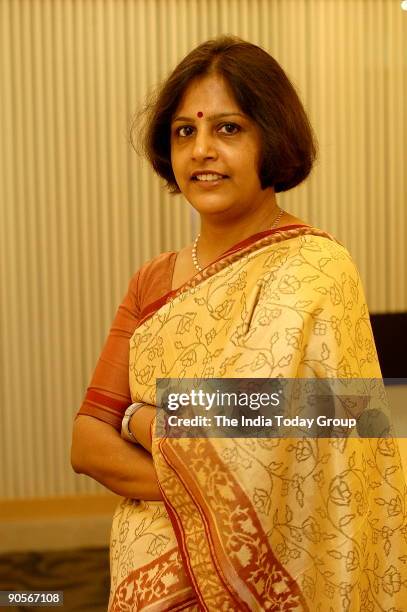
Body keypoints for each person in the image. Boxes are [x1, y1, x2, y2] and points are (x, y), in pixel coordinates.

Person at [71, 35, 407, 611]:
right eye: (185, 131)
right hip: (150, 577)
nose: (202, 149)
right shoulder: (151, 281)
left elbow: (349, 424)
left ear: (272, 139)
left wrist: (143, 416)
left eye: (228, 129)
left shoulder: (316, 267)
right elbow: (86, 443)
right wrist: (207, 492)